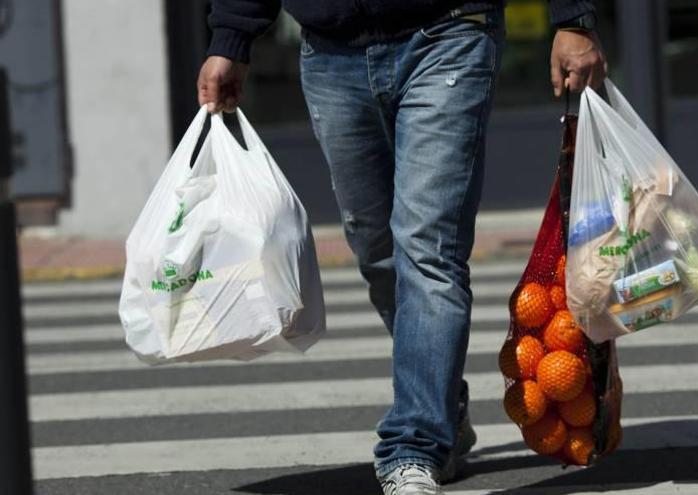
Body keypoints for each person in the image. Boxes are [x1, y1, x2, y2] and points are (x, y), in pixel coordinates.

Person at [198, 1, 606, 493]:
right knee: (377, 251)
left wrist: (572, 18)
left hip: (449, 32)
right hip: (331, 53)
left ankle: (412, 445)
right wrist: (231, 37)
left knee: (427, 249)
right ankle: (443, 406)